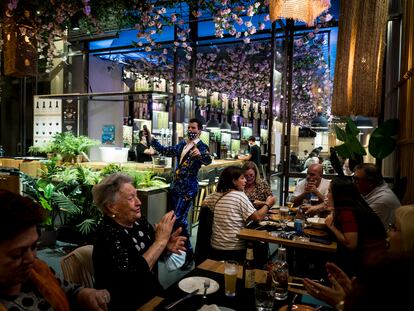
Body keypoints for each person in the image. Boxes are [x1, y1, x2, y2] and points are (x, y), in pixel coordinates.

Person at [0, 189, 110, 311]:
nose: (31, 258)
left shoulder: (39, 270)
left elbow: (69, 289)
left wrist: (87, 295)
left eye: (34, 246)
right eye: (17, 253)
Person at [92, 173, 187, 311]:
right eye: (131, 198)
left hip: (152, 294)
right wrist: (159, 243)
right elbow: (134, 277)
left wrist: (165, 247)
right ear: (112, 207)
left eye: (136, 195)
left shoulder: (138, 222)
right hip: (128, 303)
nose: (139, 202)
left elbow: (149, 255)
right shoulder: (107, 235)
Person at [304, 204, 414, 310]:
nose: (388, 232)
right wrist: (352, 292)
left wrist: (341, 303)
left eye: (394, 228)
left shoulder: (394, 276)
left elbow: (351, 244)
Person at [148, 118, 212, 269]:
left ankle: (189, 255)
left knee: (179, 221)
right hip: (175, 187)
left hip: (188, 189)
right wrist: (150, 139)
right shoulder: (182, 144)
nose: (191, 130)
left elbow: (208, 160)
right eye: (189, 127)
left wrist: (200, 156)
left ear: (199, 131)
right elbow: (165, 150)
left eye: (194, 128)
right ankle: (184, 255)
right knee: (177, 220)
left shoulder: (201, 146)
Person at [202, 166, 272, 263]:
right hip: (235, 250)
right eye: (242, 178)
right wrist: (268, 204)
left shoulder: (215, 195)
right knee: (260, 251)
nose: (245, 181)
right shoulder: (239, 196)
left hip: (214, 248)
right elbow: (258, 217)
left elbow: (204, 203)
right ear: (234, 181)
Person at [325, 177, 387, 277]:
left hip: (370, 262)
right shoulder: (354, 205)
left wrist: (331, 226)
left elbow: (351, 244)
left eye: (329, 191)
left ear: (338, 195)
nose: (327, 195)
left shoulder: (347, 211)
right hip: (375, 257)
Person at [353, 163, 400, 229]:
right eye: (353, 178)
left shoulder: (382, 200)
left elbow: (359, 226)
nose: (353, 182)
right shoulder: (369, 191)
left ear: (371, 183)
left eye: (356, 180)